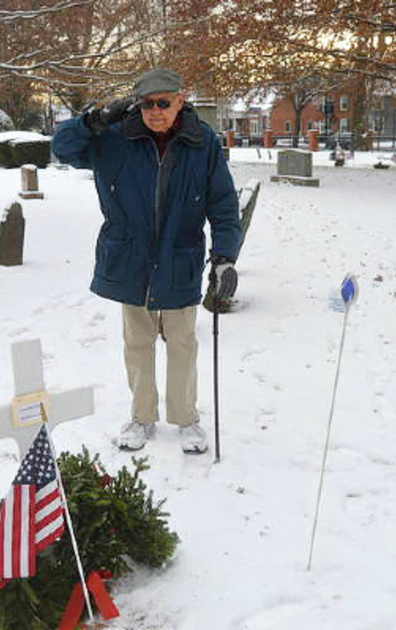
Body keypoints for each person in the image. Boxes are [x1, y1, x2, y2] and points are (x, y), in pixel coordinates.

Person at [51, 68, 241, 454]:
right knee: (137, 342)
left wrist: (223, 256)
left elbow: (222, 202)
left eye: (163, 103)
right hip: (130, 257)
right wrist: (90, 121)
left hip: (180, 256)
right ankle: (142, 416)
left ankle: (186, 418)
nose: (155, 111)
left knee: (182, 342)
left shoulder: (201, 142)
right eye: (146, 103)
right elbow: (64, 148)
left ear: (180, 100)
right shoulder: (114, 138)